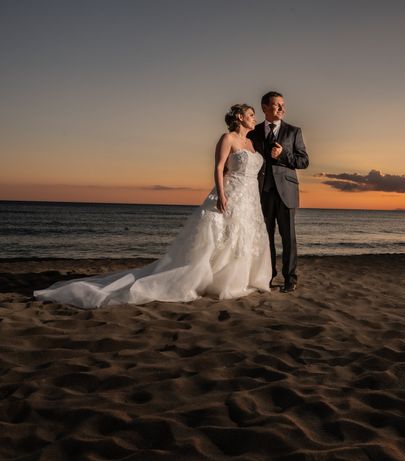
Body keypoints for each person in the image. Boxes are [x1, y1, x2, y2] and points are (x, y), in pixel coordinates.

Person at [34, 104, 271, 308]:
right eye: (251, 114)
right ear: (239, 117)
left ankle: (237, 279)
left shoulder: (251, 143)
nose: (254, 117)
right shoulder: (227, 138)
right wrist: (221, 194)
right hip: (230, 193)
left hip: (250, 198)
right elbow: (219, 168)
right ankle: (211, 281)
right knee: (220, 238)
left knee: (241, 238)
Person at [247, 91, 309, 293]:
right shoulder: (253, 133)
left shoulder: (293, 131)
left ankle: (290, 278)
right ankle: (268, 275)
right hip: (261, 192)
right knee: (265, 238)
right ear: (265, 108)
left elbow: (303, 161)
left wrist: (283, 155)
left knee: (288, 237)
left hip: (286, 191)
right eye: (277, 105)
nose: (282, 108)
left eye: (283, 104)